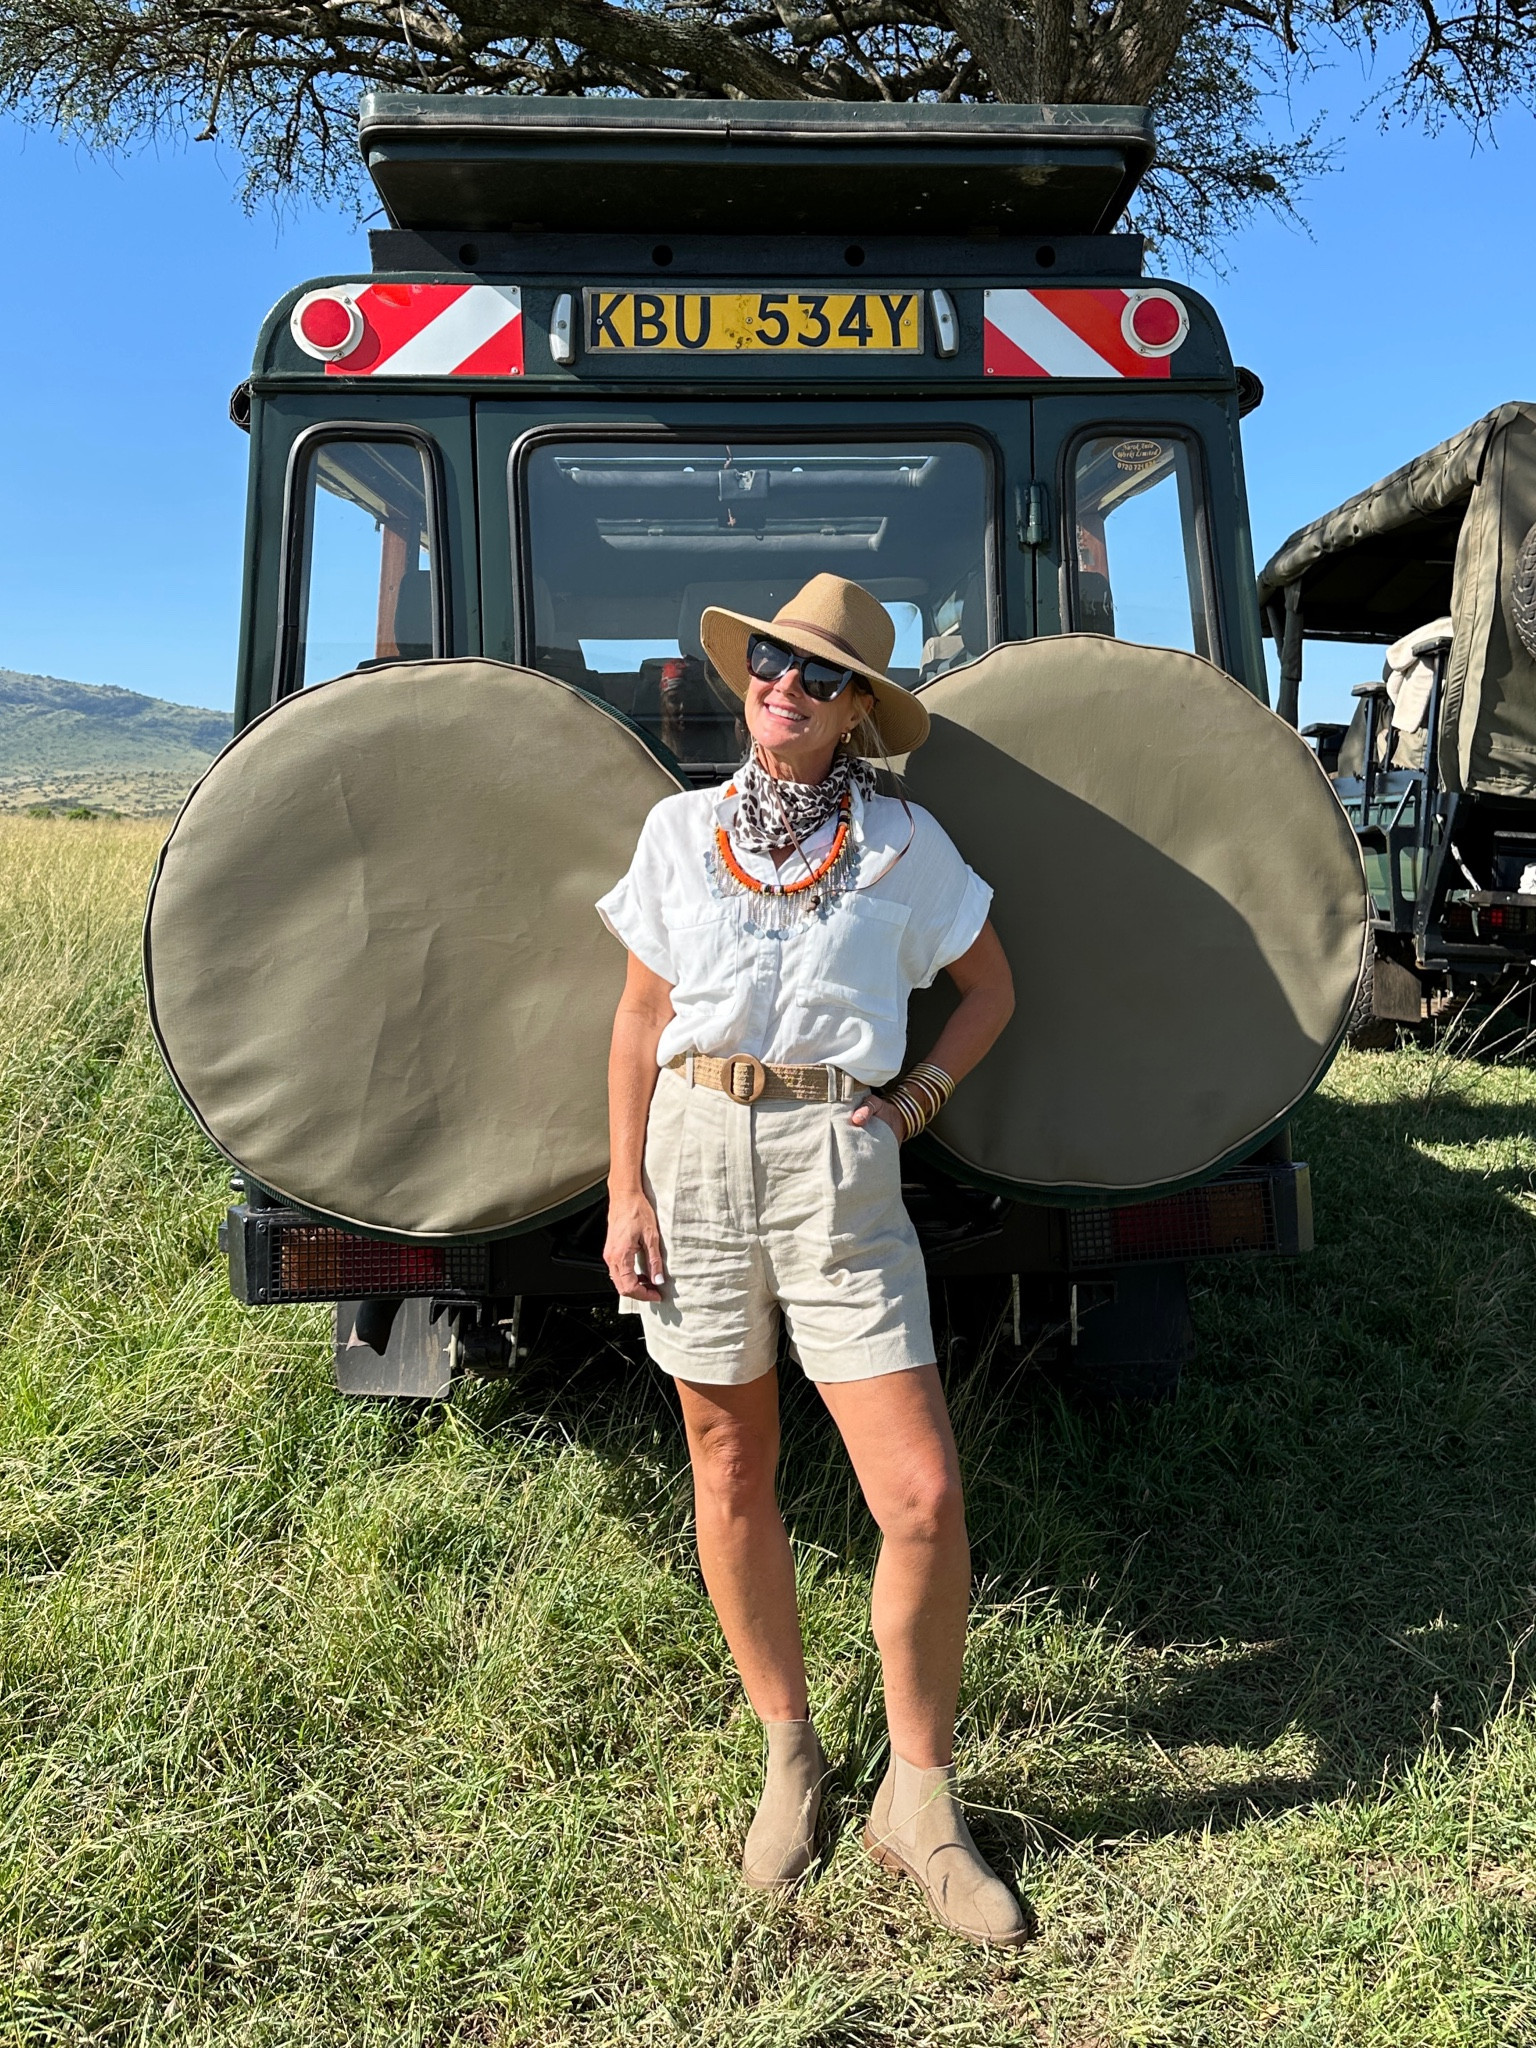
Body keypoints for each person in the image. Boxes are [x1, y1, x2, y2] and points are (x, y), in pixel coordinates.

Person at [596, 572, 1023, 1946]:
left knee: (921, 1497)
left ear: (857, 716)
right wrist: (624, 1190)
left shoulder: (909, 846)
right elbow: (637, 1017)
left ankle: (920, 1796)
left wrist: (916, 1103)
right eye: (771, 660)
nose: (784, 683)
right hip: (696, 1148)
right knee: (729, 1466)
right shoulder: (676, 833)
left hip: (841, 1166)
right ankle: (789, 1750)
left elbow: (991, 989)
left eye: (818, 675)